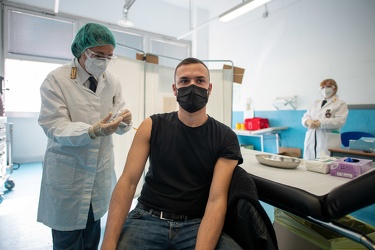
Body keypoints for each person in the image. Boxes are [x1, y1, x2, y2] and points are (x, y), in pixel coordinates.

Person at [101, 57, 243, 250]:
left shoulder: (225, 137)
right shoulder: (152, 126)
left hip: (197, 223)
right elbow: (128, 182)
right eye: (184, 81)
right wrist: (108, 244)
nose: (192, 86)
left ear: (209, 89)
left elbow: (216, 199)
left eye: (199, 81)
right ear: (175, 89)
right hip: (147, 219)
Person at [37, 23, 133, 250]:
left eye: (109, 56)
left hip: (98, 172)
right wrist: (91, 131)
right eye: (98, 55)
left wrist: (124, 122)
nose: (104, 61)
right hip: (68, 175)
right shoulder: (56, 80)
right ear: (82, 50)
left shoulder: (112, 82)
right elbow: (54, 124)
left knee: (92, 237)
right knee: (67, 241)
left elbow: (118, 115)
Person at [301, 78, 348, 160]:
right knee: (310, 164)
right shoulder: (315, 103)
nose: (325, 89)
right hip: (312, 138)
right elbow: (306, 116)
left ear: (334, 88)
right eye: (322, 87)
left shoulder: (340, 104)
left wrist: (320, 123)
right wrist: (308, 121)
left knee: (326, 165)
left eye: (328, 86)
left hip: (328, 141)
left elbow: (340, 121)